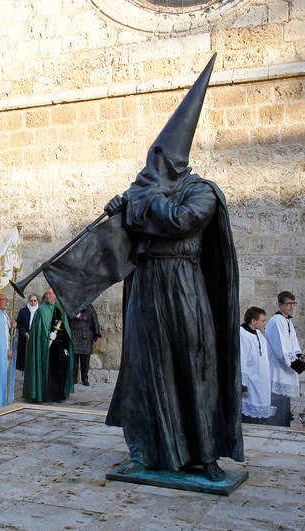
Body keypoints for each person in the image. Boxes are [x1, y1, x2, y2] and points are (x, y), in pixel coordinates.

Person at [103, 56, 243, 481]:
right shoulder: (141, 193)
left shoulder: (200, 191)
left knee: (194, 366)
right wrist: (116, 212)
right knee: (145, 370)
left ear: (177, 159)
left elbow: (183, 221)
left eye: (162, 157)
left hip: (184, 286)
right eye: (154, 156)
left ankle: (205, 455)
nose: (155, 163)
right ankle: (144, 452)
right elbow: (126, 237)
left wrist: (138, 205)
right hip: (146, 285)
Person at [23, 287, 74, 403]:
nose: (48, 296)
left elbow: (66, 327)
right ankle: (47, 394)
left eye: (50, 294)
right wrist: (47, 337)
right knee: (49, 372)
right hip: (47, 349)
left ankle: (60, 394)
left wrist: (64, 343)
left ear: (55, 295)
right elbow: (38, 332)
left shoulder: (60, 309)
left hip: (60, 348)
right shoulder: (41, 311)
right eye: (47, 294)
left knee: (61, 371)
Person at [266, 291, 305, 427]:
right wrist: (301, 366)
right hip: (277, 369)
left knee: (285, 401)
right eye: (288, 304)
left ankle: (284, 422)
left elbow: (293, 343)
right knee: (278, 401)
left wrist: (300, 356)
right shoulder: (276, 321)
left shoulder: (287, 321)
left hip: (286, 369)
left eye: (293, 303)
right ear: (280, 304)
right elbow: (282, 350)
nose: (291, 306)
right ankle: (277, 424)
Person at [240, 306, 271, 424]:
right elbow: (242, 360)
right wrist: (243, 384)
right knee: (249, 414)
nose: (265, 323)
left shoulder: (258, 333)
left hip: (261, 383)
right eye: (263, 320)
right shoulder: (242, 334)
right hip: (250, 382)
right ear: (253, 321)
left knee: (261, 413)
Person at [69, 304, 101, 386]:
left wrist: (97, 334)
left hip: (86, 337)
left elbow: (95, 320)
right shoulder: (72, 307)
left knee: (85, 361)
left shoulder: (90, 308)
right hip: (74, 336)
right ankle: (73, 378)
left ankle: (85, 378)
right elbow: (68, 319)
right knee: (74, 360)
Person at [15, 294, 39, 371]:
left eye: (35, 301)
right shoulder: (23, 311)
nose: (33, 302)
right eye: (31, 301)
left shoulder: (40, 311)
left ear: (37, 301)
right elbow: (19, 324)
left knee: (35, 359)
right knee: (25, 359)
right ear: (28, 301)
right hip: (25, 338)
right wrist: (25, 332)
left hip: (36, 338)